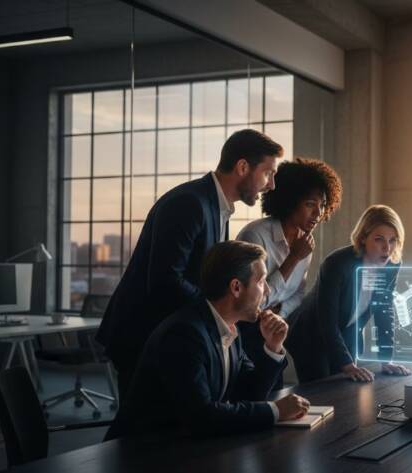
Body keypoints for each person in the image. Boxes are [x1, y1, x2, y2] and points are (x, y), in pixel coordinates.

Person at [97, 129, 282, 398]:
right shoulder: (189, 203)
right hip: (145, 333)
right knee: (145, 421)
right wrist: (219, 312)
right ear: (243, 167)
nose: (271, 185)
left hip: (175, 335)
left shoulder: (216, 207)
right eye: (268, 173)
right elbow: (166, 280)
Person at [105, 241, 310, 440]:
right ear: (236, 287)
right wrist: (275, 411)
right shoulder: (184, 334)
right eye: (261, 281)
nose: (267, 290)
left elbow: (247, 395)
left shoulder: (229, 328)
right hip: (141, 452)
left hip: (185, 449)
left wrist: (273, 346)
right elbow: (201, 417)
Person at [235, 157, 342, 380]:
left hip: (274, 330)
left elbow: (298, 293)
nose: (318, 213)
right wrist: (293, 258)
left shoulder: (305, 241)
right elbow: (251, 301)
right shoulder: (255, 235)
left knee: (276, 391)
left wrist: (279, 314)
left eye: (322, 205)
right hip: (245, 332)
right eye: (310, 204)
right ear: (290, 201)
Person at [295, 205, 411, 382]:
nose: (387, 248)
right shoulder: (337, 263)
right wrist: (347, 365)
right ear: (363, 238)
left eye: (393, 240)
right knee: (320, 390)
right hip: (311, 335)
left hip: (347, 331)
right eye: (379, 239)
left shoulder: (392, 264)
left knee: (349, 387)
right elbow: (327, 321)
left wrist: (386, 359)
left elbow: (384, 309)